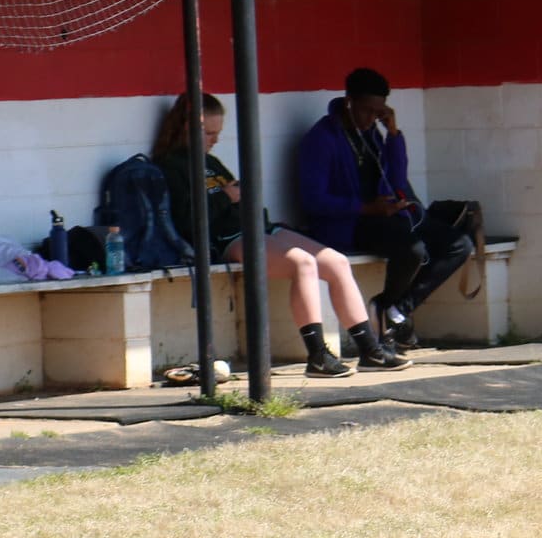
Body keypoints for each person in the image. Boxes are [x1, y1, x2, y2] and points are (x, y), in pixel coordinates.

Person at [155, 93, 377, 377]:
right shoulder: (170, 166)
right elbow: (187, 220)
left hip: (256, 227)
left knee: (336, 262)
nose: (214, 140)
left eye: (218, 133)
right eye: (209, 133)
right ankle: (317, 354)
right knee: (303, 263)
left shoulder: (211, 163)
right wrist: (226, 196)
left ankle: (369, 348)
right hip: (227, 237)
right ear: (186, 128)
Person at [295, 69, 473, 356]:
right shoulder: (322, 138)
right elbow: (314, 201)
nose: (370, 118)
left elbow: (398, 181)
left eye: (378, 112)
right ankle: (387, 310)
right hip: (348, 224)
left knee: (458, 244)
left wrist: (393, 135)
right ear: (348, 102)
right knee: (412, 249)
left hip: (386, 216)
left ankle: (396, 309)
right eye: (366, 110)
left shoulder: (374, 134)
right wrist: (368, 208)